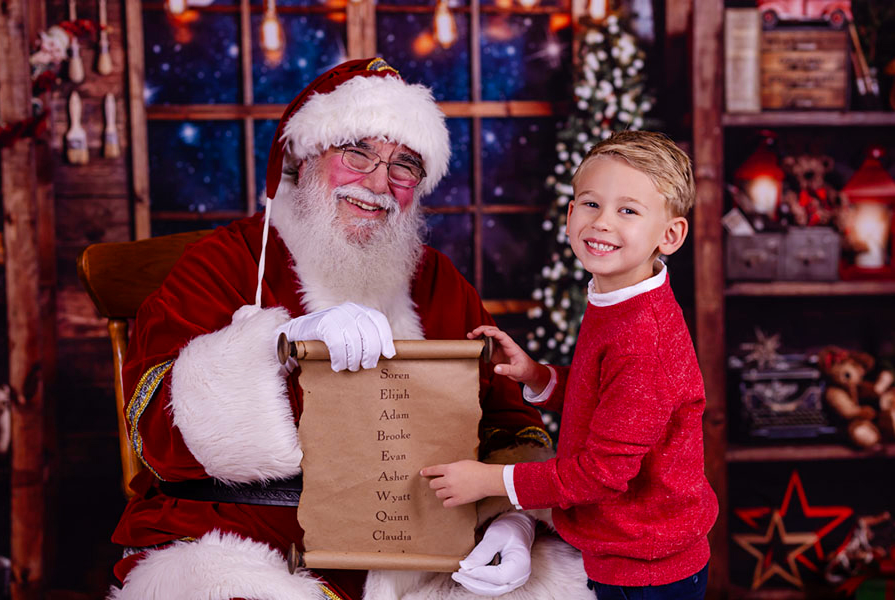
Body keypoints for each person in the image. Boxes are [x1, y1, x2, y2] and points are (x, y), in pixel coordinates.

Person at [106, 58, 591, 600]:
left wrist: (514, 519)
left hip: (418, 549)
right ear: (307, 156)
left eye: (403, 165)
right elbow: (153, 433)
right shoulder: (225, 261)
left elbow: (506, 416)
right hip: (242, 541)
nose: (378, 184)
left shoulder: (438, 280)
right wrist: (277, 345)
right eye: (357, 152)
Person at [422, 131, 720, 600]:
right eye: (590, 204)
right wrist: (537, 376)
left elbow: (602, 474)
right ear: (569, 215)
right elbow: (610, 397)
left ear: (670, 234)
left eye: (628, 210)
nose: (602, 223)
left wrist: (490, 480)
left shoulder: (645, 338)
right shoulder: (616, 296)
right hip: (626, 545)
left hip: (645, 568)